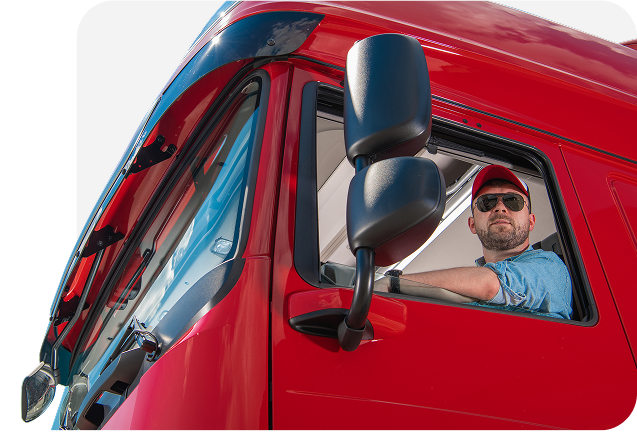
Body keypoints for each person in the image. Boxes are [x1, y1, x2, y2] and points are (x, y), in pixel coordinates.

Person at [386, 165, 572, 320]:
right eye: (487, 202)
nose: (500, 208)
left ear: (531, 222)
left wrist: (393, 283)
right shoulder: (466, 286)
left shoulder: (550, 266)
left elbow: (492, 284)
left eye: (513, 201)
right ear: (472, 224)